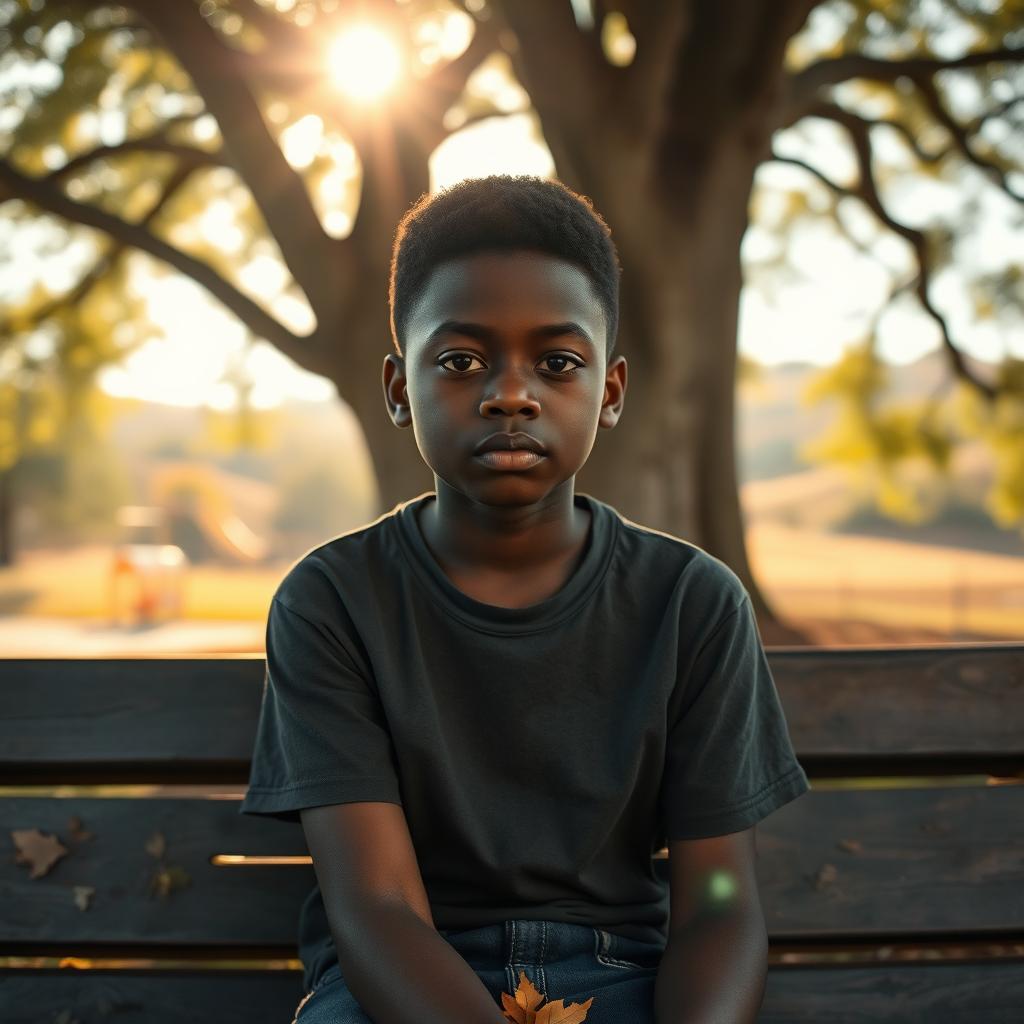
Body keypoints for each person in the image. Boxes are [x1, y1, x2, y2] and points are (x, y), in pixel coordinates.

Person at [239, 175, 811, 1024]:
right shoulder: (333, 604)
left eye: (558, 362)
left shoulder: (692, 604)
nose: (512, 393)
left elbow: (719, 903)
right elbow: (379, 910)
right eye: (463, 360)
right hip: (402, 987)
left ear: (609, 391)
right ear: (400, 389)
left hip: (624, 976)